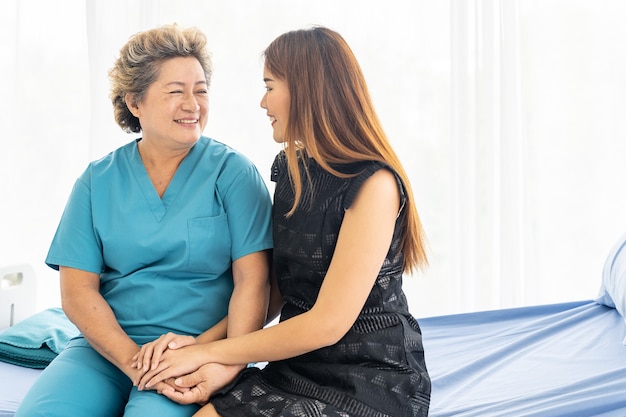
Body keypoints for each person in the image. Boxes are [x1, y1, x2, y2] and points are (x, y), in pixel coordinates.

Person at [135, 26, 431, 417]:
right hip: (299, 365)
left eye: (270, 86)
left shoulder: (374, 184)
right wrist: (195, 346)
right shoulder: (291, 170)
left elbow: (326, 323)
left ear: (307, 91)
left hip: (371, 377)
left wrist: (213, 354)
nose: (263, 101)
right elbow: (278, 288)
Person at [15, 24, 273, 417]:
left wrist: (214, 355)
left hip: (199, 349)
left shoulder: (233, 174)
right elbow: (78, 291)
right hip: (106, 349)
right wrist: (137, 362)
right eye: (175, 91)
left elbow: (254, 283)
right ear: (135, 102)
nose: (193, 104)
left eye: (201, 90)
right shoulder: (96, 182)